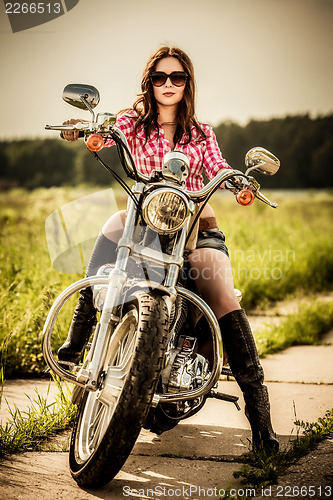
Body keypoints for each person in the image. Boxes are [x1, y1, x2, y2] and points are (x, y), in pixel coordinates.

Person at [58, 46, 278, 452]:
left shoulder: (201, 133)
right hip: (144, 223)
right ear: (150, 81)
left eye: (177, 78)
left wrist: (237, 180)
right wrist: (80, 129)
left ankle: (261, 417)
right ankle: (78, 340)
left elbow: (218, 165)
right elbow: (106, 129)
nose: (168, 85)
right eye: (160, 77)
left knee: (222, 294)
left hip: (195, 229)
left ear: (187, 83)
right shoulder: (132, 121)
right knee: (111, 224)